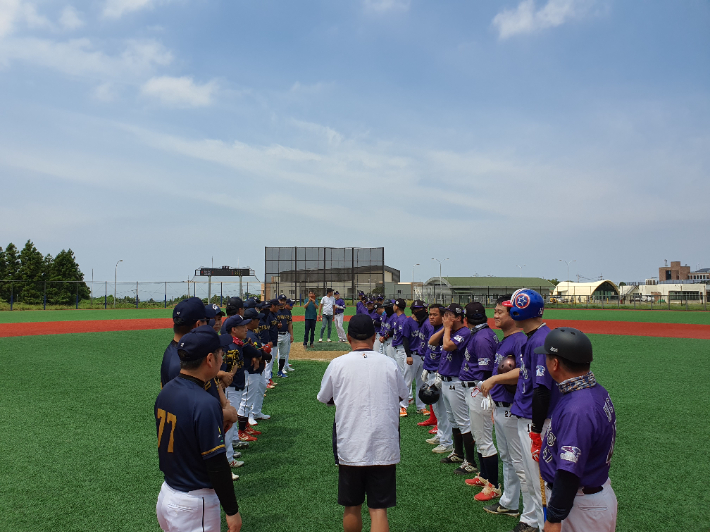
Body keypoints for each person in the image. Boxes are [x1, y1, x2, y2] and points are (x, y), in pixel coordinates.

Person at [317, 314, 408, 532]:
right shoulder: (390, 364)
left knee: (351, 506)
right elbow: (402, 396)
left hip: (351, 442)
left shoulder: (337, 364)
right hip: (384, 442)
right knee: (378, 510)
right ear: (374, 337)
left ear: (348, 337)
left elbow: (325, 397)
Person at [155, 325, 242, 532]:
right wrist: (232, 511)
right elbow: (217, 465)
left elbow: (187, 434)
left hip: (167, 493)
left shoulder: (166, 391)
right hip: (194, 503)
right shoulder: (204, 402)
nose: (223, 359)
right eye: (220, 354)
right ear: (210, 359)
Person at [537, 327, 618, 532]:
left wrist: (554, 518)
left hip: (580, 505)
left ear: (555, 363)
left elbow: (569, 472)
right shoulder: (593, 390)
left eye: (547, 357)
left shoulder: (578, 409)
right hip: (587, 499)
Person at [478, 296, 532, 524]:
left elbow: (522, 372)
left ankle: (530, 514)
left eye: (500, 311)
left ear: (513, 315)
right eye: (495, 311)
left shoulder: (519, 340)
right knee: (508, 458)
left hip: (512, 409)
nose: (496, 315)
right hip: (501, 408)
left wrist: (494, 380)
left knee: (519, 462)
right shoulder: (505, 339)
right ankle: (509, 502)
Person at [506, 288, 553, 532]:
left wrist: (536, 430)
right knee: (534, 481)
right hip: (528, 417)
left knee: (540, 481)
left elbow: (542, 390)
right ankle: (536, 522)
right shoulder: (533, 336)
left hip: (537, 421)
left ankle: (546, 526)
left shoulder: (541, 340)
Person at [459, 302, 500, 500]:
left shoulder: (482, 337)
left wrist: (487, 394)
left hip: (479, 390)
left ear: (466, 318)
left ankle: (493, 486)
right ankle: (484, 476)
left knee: (484, 439)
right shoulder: (482, 333)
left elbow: (486, 370)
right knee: (478, 435)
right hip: (476, 389)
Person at [436, 303, 478, 475]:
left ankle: (470, 461)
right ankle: (458, 453)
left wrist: (446, 329)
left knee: (463, 422)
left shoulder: (464, 332)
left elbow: (447, 346)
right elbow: (432, 342)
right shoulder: (451, 331)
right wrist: (445, 329)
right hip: (446, 381)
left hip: (457, 382)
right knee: (453, 421)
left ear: (459, 317)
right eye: (444, 315)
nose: (445, 318)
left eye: (449, 315)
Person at [419, 304, 453, 454]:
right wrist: (427, 368)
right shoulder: (433, 329)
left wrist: (439, 373)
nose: (431, 317)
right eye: (430, 314)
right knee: (437, 409)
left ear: (443, 316)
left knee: (443, 410)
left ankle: (447, 442)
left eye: (435, 314)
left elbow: (445, 355)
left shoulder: (446, 332)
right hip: (432, 371)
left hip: (441, 374)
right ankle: (441, 435)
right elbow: (430, 349)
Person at [390, 298, 412, 417]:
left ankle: (403, 406)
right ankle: (408, 400)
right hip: (398, 349)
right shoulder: (399, 319)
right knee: (403, 376)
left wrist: (407, 354)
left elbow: (405, 338)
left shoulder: (403, 320)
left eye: (394, 305)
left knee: (404, 377)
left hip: (402, 350)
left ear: (397, 307)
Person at [276, 295, 293, 377]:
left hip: (285, 334)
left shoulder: (288, 312)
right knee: (272, 356)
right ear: (278, 301)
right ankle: (269, 375)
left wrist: (291, 335)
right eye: (281, 300)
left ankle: (280, 370)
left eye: (284, 300)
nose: (282, 302)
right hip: (276, 335)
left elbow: (290, 324)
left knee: (283, 354)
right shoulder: (275, 311)